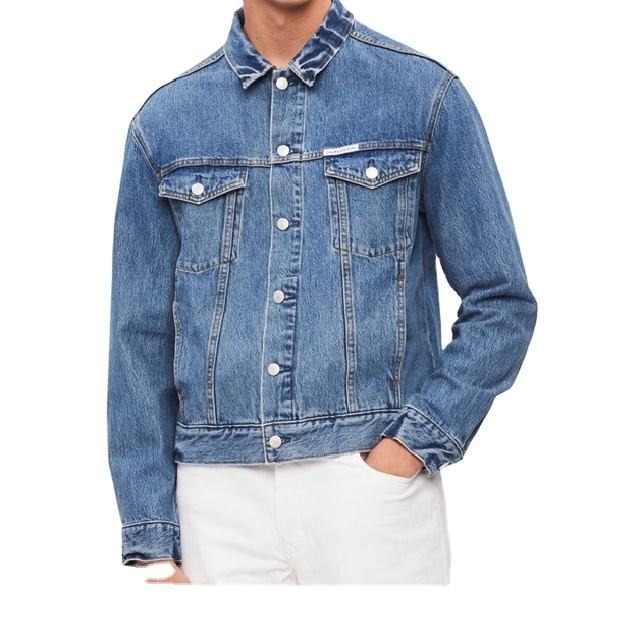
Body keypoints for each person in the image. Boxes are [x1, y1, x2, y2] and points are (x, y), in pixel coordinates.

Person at [108, 0, 537, 584]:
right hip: (216, 499)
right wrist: (153, 545)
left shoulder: (423, 96)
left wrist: (414, 444)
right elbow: (139, 339)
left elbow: (501, 302)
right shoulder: (166, 123)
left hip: (370, 486)